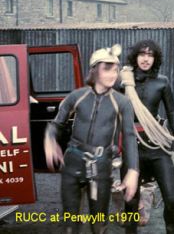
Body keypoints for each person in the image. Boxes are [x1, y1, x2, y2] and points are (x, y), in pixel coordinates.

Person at [44, 44, 139, 234]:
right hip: (72, 163)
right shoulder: (77, 96)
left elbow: (129, 136)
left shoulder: (122, 102)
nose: (113, 74)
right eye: (106, 68)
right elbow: (56, 124)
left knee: (99, 225)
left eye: (115, 69)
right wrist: (50, 140)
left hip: (101, 166)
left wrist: (133, 171)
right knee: (70, 224)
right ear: (94, 70)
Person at [120, 40, 174, 234]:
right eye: (142, 54)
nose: (146, 59)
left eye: (150, 55)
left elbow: (172, 113)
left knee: (172, 199)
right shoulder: (123, 82)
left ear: (155, 58)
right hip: (132, 148)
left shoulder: (162, 82)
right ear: (135, 57)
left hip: (156, 147)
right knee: (130, 202)